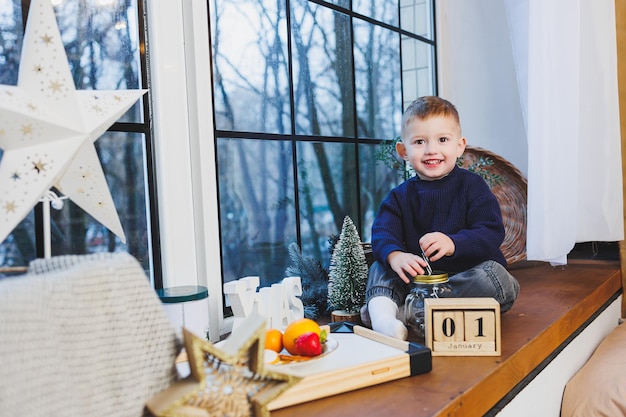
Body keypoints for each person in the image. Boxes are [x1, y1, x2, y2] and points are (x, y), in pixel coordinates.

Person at [365, 96, 520, 340]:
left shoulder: (473, 186)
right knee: (381, 265)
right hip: (418, 283)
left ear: (459, 146)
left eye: (443, 140)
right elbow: (383, 233)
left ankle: (408, 313)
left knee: (496, 278)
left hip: (464, 281)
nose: (431, 150)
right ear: (403, 151)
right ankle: (384, 319)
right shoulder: (400, 197)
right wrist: (396, 256)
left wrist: (453, 243)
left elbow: (491, 231)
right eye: (419, 142)